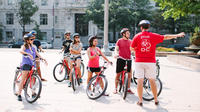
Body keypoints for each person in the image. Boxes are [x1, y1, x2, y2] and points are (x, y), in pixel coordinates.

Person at [130, 20, 185, 106]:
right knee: (152, 81)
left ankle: (140, 101)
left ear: (141, 28)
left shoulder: (137, 36)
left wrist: (138, 50)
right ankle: (156, 100)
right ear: (148, 27)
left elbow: (132, 48)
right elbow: (165, 37)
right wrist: (177, 35)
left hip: (139, 61)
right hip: (150, 62)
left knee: (140, 81)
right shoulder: (153, 36)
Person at [16, 33, 46, 101]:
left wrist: (42, 58)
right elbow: (21, 51)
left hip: (32, 64)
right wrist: (28, 54)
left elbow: (37, 53)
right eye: (31, 39)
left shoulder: (33, 47)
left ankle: (33, 93)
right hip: (26, 64)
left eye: (33, 39)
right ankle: (19, 94)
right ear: (27, 40)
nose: (33, 40)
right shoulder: (24, 46)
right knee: (23, 79)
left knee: (32, 78)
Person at [113, 28, 134, 94]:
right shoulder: (119, 41)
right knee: (118, 74)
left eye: (129, 33)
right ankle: (115, 88)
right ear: (123, 34)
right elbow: (116, 49)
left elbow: (133, 50)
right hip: (121, 58)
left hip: (128, 59)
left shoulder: (131, 41)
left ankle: (128, 88)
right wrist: (116, 54)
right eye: (127, 33)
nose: (129, 34)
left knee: (130, 73)